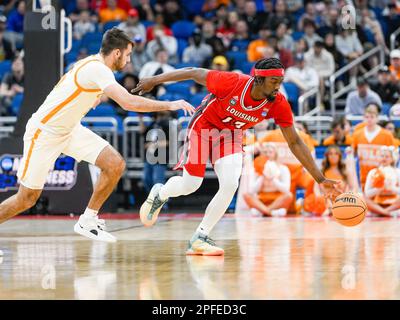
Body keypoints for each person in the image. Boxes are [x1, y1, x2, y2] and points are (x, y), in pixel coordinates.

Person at [0, 28, 194, 242]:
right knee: (26, 198)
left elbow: (78, 87)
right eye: (128, 54)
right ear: (117, 53)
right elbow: (128, 102)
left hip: (69, 129)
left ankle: (88, 220)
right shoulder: (97, 69)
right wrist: (170, 104)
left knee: (114, 164)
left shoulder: (93, 64)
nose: (129, 60)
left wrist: (90, 98)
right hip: (44, 133)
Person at [133, 57, 341, 256]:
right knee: (191, 185)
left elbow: (294, 141)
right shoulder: (233, 82)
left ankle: (200, 237)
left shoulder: (278, 102)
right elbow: (193, 72)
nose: (278, 86)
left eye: (280, 81)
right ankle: (161, 193)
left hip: (231, 135)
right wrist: (155, 80)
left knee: (230, 183)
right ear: (259, 79)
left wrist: (320, 178)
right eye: (274, 81)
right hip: (204, 128)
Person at [243, 143, 293, 217]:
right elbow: (251, 190)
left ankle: (263, 211)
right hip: (261, 200)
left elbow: (286, 189)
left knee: (289, 195)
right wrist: (262, 176)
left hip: (277, 199)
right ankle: (271, 212)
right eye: (265, 152)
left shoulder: (283, 168)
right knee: (246, 195)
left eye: (270, 152)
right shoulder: (255, 169)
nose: (267, 154)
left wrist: (272, 178)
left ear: (275, 154)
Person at [352, 104, 395, 189]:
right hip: (363, 178)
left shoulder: (387, 135)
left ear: (377, 118)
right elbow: (353, 156)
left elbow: (393, 158)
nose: (369, 120)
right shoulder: (357, 135)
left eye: (372, 117)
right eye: (367, 117)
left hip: (383, 177)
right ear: (363, 118)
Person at [303, 145, 353, 216]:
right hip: (325, 199)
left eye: (336, 153)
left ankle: (334, 209)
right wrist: (323, 199)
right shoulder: (322, 171)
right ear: (327, 156)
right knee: (316, 200)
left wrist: (343, 198)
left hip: (340, 199)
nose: (333, 156)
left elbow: (350, 188)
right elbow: (316, 189)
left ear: (339, 156)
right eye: (331, 154)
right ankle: (329, 209)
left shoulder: (345, 172)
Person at [364, 146, 400, 216]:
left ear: (392, 159)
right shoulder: (373, 172)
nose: (384, 158)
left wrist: (392, 188)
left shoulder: (397, 171)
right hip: (377, 204)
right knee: (361, 197)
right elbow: (367, 194)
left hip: (394, 204)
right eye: (382, 156)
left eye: (387, 156)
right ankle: (386, 212)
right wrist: (379, 189)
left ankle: (384, 212)